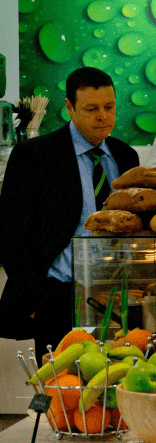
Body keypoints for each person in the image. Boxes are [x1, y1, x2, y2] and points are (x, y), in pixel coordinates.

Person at [0, 67, 139, 361]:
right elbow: (11, 236)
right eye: (91, 108)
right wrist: (36, 300)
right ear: (69, 108)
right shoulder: (34, 156)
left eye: (109, 107)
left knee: (117, 387)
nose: (102, 116)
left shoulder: (126, 156)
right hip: (57, 297)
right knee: (63, 393)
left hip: (116, 296)